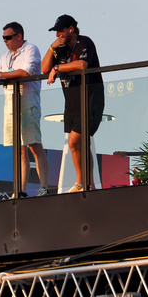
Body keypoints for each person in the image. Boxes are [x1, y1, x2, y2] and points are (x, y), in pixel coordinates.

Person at [43, 14, 106, 192]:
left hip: (90, 100)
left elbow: (82, 65)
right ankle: (88, 183)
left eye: (60, 31)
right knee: (80, 143)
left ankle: (81, 182)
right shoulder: (60, 48)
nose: (58, 35)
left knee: (74, 141)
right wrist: (51, 48)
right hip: (71, 102)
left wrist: (58, 68)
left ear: (71, 29)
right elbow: (44, 69)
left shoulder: (85, 42)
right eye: (56, 32)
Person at [0, 22, 47, 197]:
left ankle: (43, 187)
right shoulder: (6, 55)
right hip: (10, 104)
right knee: (19, 148)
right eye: (3, 38)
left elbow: (25, 72)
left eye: (8, 37)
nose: (5, 41)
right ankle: (20, 190)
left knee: (34, 145)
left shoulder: (31, 49)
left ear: (19, 36)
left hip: (27, 103)